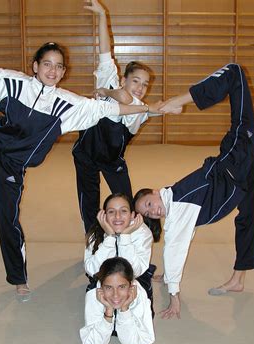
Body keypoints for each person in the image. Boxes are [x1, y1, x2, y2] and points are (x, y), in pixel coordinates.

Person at [0, 3, 164, 299]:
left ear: (64, 72)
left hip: (11, 165)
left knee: (7, 218)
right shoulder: (11, 83)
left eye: (58, 66)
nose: (52, 70)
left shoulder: (67, 104)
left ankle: (19, 277)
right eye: (47, 64)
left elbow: (110, 108)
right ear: (35, 66)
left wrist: (146, 108)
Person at [134, 63, 254, 319]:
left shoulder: (175, 202)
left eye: (148, 204)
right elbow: (175, 246)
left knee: (248, 218)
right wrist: (173, 293)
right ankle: (176, 101)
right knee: (234, 73)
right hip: (235, 162)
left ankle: (238, 278)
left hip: (236, 170)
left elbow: (177, 241)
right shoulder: (177, 207)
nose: (153, 211)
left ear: (156, 192)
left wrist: (168, 279)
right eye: (150, 214)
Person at [73, 0, 155, 233]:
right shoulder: (108, 77)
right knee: (89, 201)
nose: (140, 87)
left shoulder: (138, 107)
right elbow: (104, 49)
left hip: (112, 160)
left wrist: (106, 92)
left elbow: (125, 99)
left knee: (125, 201)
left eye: (145, 84)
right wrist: (101, 16)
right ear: (124, 79)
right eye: (136, 81)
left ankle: (128, 238)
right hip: (86, 154)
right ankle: (93, 239)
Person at [84, 193, 158, 315]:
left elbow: (135, 271)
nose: (117, 216)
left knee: (139, 318)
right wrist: (109, 239)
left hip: (134, 277)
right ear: (104, 215)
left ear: (132, 215)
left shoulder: (143, 233)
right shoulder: (95, 233)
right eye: (111, 212)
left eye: (123, 211)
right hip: (105, 279)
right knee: (102, 319)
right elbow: (92, 270)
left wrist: (125, 237)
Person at [79, 257, 155, 344]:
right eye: (108, 287)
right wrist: (108, 312)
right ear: (101, 287)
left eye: (122, 287)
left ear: (131, 285)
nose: (115, 295)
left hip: (138, 287)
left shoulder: (140, 296)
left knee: (145, 278)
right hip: (104, 301)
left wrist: (125, 309)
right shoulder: (94, 295)